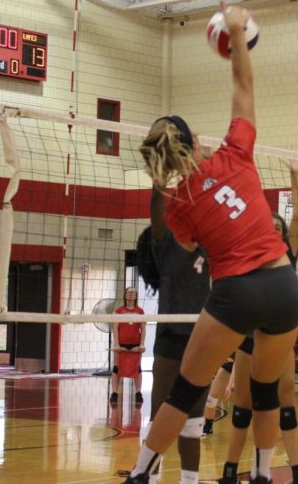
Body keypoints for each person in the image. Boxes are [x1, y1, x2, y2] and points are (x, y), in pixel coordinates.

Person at [125, 5, 298, 484]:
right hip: (284, 284)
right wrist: (239, 33)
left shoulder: (175, 200)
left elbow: (186, 241)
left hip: (236, 291)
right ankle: (263, 475)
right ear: (196, 140)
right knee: (266, 390)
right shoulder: (235, 153)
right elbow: (244, 88)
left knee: (185, 390)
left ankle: (140, 474)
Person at [218, 158, 298, 484]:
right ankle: (229, 471)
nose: (276, 230)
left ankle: (297, 471)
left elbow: (297, 217)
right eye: (270, 227)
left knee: (285, 407)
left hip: (280, 340)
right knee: (242, 411)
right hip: (249, 339)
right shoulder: (247, 252)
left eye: (279, 228)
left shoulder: (289, 254)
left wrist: (295, 176)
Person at [137, 184, 212, 484]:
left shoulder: (207, 245)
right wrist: (160, 180)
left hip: (202, 340)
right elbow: (157, 206)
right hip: (171, 340)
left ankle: (189, 481)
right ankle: (149, 478)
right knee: (160, 416)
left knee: (193, 423)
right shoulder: (165, 244)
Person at [111, 286, 146, 404]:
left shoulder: (140, 311)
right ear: (125, 295)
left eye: (133, 293)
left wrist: (141, 344)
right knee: (116, 368)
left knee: (138, 369)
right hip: (121, 343)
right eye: (129, 292)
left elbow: (143, 329)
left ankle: (138, 393)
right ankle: (114, 393)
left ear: (136, 296)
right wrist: (116, 344)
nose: (130, 294)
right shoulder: (119, 311)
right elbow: (115, 327)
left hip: (135, 343)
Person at [202, 357, 233, 435]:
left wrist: (229, 385)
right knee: (211, 399)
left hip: (245, 364)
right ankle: (207, 428)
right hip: (229, 364)